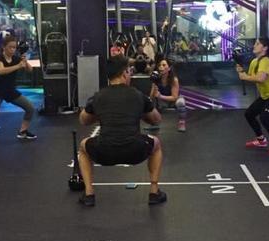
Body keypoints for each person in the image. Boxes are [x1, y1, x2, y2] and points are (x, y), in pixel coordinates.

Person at [77, 55, 165, 207]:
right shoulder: (138, 95)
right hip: (134, 152)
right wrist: (143, 109)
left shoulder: (98, 97)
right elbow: (156, 119)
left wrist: (100, 113)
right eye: (129, 71)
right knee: (156, 144)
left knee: (83, 146)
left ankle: (89, 193)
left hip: (105, 153)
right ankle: (154, 191)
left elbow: (83, 120)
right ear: (125, 73)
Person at [236, 37, 269, 155]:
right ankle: (261, 140)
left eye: (258, 44)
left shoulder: (266, 61)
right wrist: (241, 71)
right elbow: (251, 76)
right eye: (255, 43)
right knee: (249, 114)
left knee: (264, 117)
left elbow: (260, 78)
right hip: (266, 96)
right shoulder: (255, 62)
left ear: (265, 48)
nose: (254, 45)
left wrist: (245, 77)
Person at [0, 34, 37, 142]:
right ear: (4, 47)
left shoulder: (16, 58)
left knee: (30, 108)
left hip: (10, 91)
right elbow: (1, 71)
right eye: (10, 47)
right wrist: (18, 66)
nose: (13, 50)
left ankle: (23, 131)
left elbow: (30, 70)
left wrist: (24, 61)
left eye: (14, 47)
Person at [148, 57, 188, 132]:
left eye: (164, 65)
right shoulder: (157, 79)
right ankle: (154, 123)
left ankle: (181, 123)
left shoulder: (174, 80)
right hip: (162, 101)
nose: (161, 67)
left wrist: (160, 96)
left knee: (181, 102)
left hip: (173, 101)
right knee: (149, 101)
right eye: (160, 65)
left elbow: (174, 97)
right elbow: (151, 97)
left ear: (169, 68)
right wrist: (154, 84)